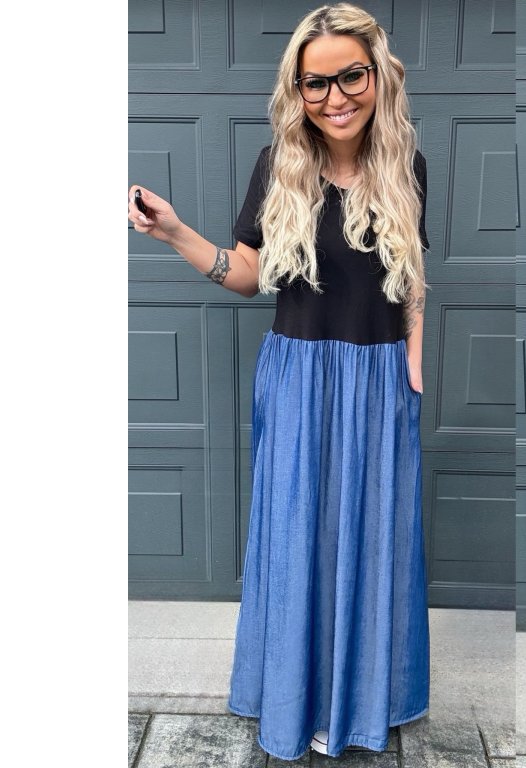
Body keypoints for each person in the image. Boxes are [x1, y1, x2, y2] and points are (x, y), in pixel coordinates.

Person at [128, 4, 430, 761]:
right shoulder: (278, 165)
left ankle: (362, 699)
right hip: (298, 373)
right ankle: (294, 697)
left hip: (377, 377)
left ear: (378, 75)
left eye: (350, 76)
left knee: (371, 535)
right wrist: (174, 232)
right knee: (299, 538)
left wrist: (414, 359)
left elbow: (412, 278)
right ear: (297, 91)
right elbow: (248, 274)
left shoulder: (408, 166)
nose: (334, 98)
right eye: (314, 83)